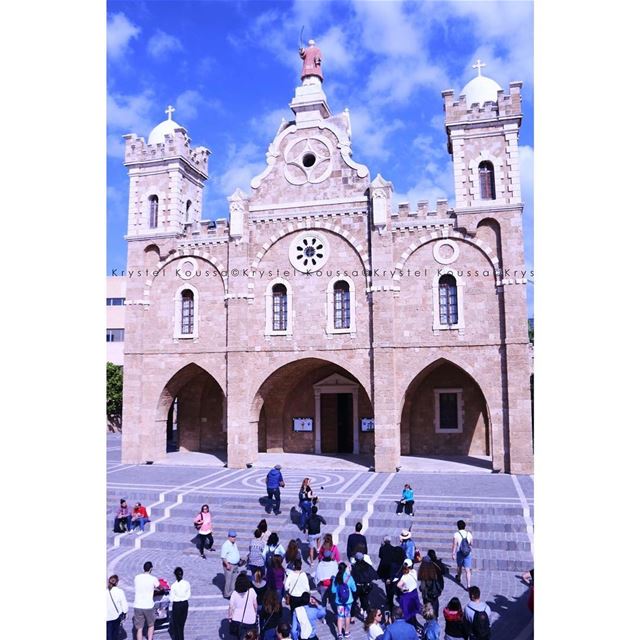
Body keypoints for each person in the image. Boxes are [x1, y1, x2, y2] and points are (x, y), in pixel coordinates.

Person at [377, 535, 405, 613]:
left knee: (387, 587)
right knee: (392, 586)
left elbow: (380, 556)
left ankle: (390, 601)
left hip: (385, 570)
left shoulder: (382, 548)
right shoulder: (393, 549)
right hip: (391, 571)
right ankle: (391, 600)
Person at [133, 561, 160, 640]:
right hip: (148, 606)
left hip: (138, 605)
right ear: (151, 569)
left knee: (139, 628)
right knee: (151, 625)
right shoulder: (153, 579)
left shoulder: (137, 577)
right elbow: (159, 587)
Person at [331, 562, 357, 639]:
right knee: (347, 615)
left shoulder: (336, 578)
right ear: (345, 568)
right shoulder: (349, 577)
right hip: (348, 601)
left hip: (339, 601)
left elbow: (333, 590)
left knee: (340, 616)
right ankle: (346, 632)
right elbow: (354, 589)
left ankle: (339, 633)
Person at [229, 572, 258, 640]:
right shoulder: (252, 591)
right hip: (250, 619)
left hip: (238, 620)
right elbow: (255, 605)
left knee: (240, 636)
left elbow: (231, 607)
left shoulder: (234, 593)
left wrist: (230, 617)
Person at [350, 552, 378, 619]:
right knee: (365, 600)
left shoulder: (354, 566)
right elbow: (374, 575)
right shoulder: (367, 565)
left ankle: (352, 617)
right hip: (365, 587)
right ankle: (366, 615)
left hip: (357, 586)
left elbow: (352, 577)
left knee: (353, 602)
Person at [417, 550, 444, 618]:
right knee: (435, 605)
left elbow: (422, 588)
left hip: (427, 596)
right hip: (434, 594)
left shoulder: (424, 575)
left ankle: (429, 619)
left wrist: (420, 588)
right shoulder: (433, 572)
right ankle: (435, 618)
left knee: (427, 608)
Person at [397, 559, 421, 628]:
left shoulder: (404, 577)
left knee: (407, 613)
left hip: (407, 595)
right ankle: (415, 624)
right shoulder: (414, 572)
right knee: (413, 611)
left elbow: (398, 585)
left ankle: (409, 626)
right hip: (414, 593)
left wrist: (403, 589)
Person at [169, 567, 190, 640]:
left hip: (177, 605)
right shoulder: (187, 583)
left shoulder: (173, 586)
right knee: (182, 624)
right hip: (185, 604)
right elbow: (188, 595)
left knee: (176, 625)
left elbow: (171, 599)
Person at [452, 520, 473, 590]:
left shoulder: (456, 534)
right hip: (468, 553)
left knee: (459, 566)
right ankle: (468, 585)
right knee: (467, 570)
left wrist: (453, 553)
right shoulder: (469, 534)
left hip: (460, 553)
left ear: (458, 526)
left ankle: (459, 577)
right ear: (465, 526)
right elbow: (471, 544)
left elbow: (454, 545)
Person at [107, 574, 128, 640]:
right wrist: (124, 612)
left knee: (108, 634)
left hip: (106, 617)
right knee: (115, 634)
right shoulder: (120, 591)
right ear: (116, 582)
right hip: (116, 616)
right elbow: (124, 605)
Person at [222, 530, 241, 598]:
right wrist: (227, 565)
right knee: (228, 581)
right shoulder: (226, 545)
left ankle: (232, 592)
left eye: (235, 536)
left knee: (234, 580)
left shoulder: (234, 543)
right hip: (229, 565)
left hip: (235, 565)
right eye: (232, 537)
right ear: (229, 537)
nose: (234, 538)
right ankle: (227, 594)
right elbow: (223, 557)